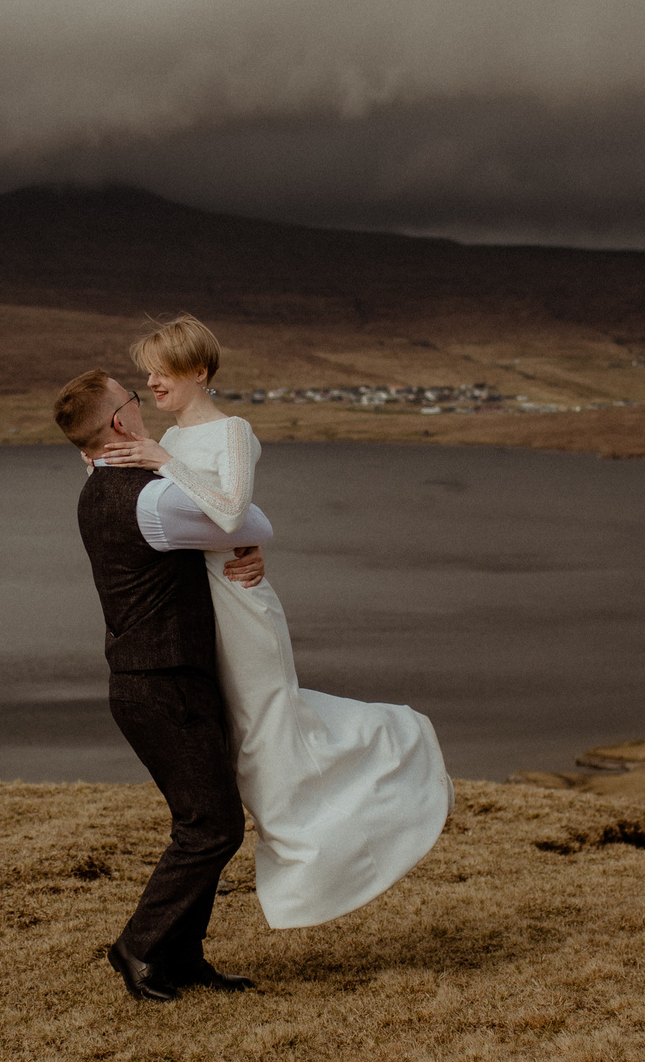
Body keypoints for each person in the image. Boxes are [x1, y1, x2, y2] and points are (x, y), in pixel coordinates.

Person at [91, 315, 452, 930]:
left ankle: (388, 759)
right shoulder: (168, 443)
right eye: (146, 371)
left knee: (270, 725)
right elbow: (149, 511)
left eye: (163, 369)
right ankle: (284, 871)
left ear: (199, 371)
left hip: (239, 605)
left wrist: (171, 468)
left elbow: (231, 511)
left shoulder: (230, 430)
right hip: (196, 608)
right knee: (239, 741)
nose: (151, 381)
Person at [55, 367, 269, 1002]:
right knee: (213, 827)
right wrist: (252, 544)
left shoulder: (100, 486)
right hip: (164, 683)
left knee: (200, 821)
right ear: (121, 423)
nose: (144, 399)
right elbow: (244, 520)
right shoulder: (151, 498)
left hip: (153, 680)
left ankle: (182, 957)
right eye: (131, 397)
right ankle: (140, 947)